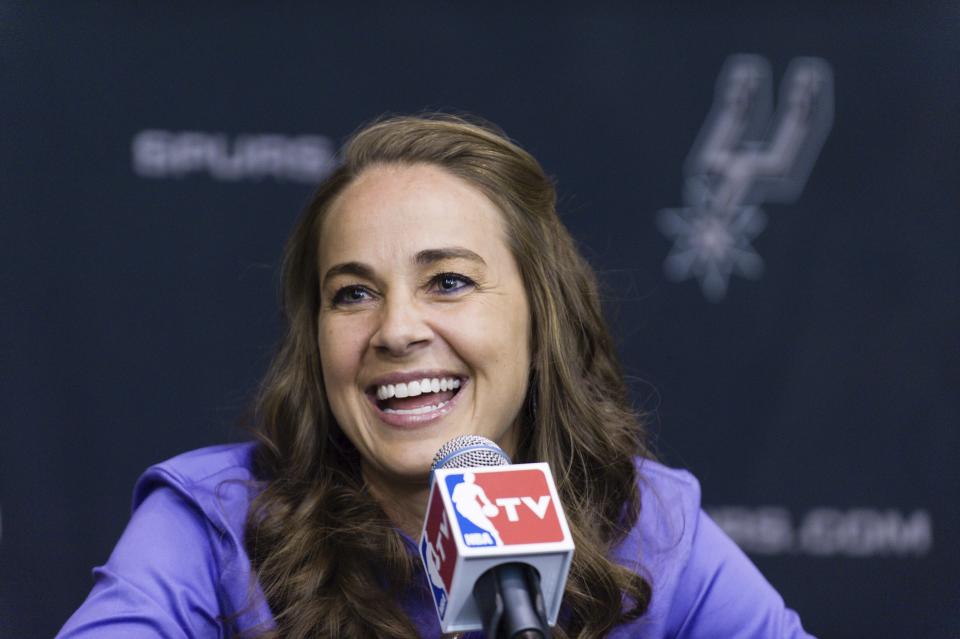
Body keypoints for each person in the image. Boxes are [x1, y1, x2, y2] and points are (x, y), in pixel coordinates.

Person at [57, 114, 813, 638]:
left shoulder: (648, 525)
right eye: (352, 293)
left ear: (541, 318)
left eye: (448, 281)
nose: (395, 329)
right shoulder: (212, 519)